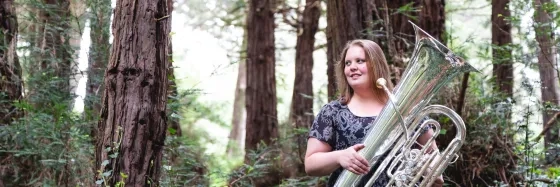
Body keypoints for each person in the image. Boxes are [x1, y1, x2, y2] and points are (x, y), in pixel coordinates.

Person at [304, 39, 444, 187]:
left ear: (376, 64)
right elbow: (311, 164)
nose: (352, 67)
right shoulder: (333, 112)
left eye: (360, 61)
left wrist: (434, 173)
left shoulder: (405, 109)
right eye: (348, 63)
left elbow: (432, 157)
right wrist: (339, 156)